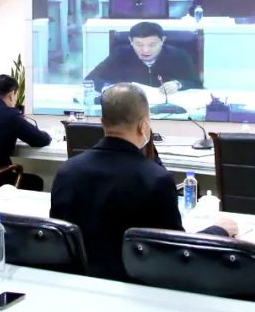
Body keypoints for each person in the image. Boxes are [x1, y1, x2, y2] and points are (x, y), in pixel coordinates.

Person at [50, 83, 237, 281]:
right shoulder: (155, 180)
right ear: (143, 125)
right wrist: (219, 230)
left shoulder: (66, 171)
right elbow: (177, 253)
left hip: (76, 287)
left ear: (102, 122)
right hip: (135, 289)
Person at [0, 74, 51, 191]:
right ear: (11, 95)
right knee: (36, 182)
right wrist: (48, 135)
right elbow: (40, 140)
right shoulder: (11, 115)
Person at [84, 22, 201, 94]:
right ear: (130, 41)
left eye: (152, 45)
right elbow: (91, 79)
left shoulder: (178, 56)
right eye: (139, 44)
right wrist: (110, 89)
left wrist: (178, 84)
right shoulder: (121, 54)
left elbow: (197, 84)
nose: (145, 50)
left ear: (162, 40)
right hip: (130, 110)